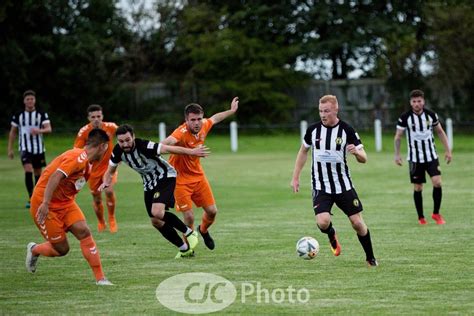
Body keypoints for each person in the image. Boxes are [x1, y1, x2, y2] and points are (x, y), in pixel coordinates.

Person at [291, 95, 377, 267]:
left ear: (336, 110)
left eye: (327, 111)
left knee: (358, 223)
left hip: (343, 185)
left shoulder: (347, 130)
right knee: (322, 222)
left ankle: (370, 258)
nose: (323, 115)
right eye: (321, 111)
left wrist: (357, 153)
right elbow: (303, 152)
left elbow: (364, 158)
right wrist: (295, 177)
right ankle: (331, 234)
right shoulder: (313, 131)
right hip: (321, 186)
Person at [100, 124, 210, 258]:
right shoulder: (117, 151)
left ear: (133, 137)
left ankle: (189, 232)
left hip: (165, 176)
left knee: (157, 212)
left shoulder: (144, 145)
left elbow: (168, 148)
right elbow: (109, 171)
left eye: (128, 140)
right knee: (156, 221)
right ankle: (184, 249)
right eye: (121, 141)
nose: (125, 144)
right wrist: (106, 181)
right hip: (148, 183)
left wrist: (192, 152)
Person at [25, 129, 113, 285]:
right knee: (62, 249)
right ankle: (34, 249)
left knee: (84, 231)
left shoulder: (88, 163)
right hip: (45, 204)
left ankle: (101, 279)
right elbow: (55, 176)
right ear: (103, 146)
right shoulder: (77, 157)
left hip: (66, 203)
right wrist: (45, 203)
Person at [161, 97, 239, 250]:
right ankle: (188, 249)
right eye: (193, 120)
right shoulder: (181, 132)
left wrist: (231, 111)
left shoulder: (203, 125)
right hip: (180, 180)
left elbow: (215, 118)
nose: (197, 123)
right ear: (186, 120)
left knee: (212, 211)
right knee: (188, 216)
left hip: (198, 177)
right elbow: (165, 144)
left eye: (199, 119)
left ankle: (203, 230)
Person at [394, 89, 452, 225]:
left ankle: (436, 214)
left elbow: (440, 132)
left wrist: (448, 150)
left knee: (437, 182)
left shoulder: (431, 115)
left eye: (419, 101)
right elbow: (398, 136)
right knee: (418, 187)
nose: (417, 104)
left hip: (431, 156)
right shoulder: (405, 117)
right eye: (414, 101)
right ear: (410, 103)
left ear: (423, 101)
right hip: (415, 159)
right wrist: (397, 154)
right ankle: (421, 217)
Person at [74, 104, 118, 233]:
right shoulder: (83, 132)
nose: (96, 119)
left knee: (109, 191)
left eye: (98, 116)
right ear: (88, 118)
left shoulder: (110, 127)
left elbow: (125, 134)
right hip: (92, 170)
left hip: (109, 167)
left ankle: (111, 218)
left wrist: (121, 153)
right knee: (97, 198)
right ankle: (101, 221)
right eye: (93, 117)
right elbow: (76, 150)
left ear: (102, 116)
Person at [8, 90, 52, 208]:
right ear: (24, 101)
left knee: (38, 173)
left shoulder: (41, 114)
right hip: (24, 147)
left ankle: (37, 197)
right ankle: (30, 197)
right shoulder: (18, 115)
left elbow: (48, 129)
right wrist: (10, 149)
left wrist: (39, 131)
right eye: (27, 99)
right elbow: (13, 132)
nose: (30, 101)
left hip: (38, 148)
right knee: (28, 170)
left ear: (35, 100)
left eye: (32, 99)